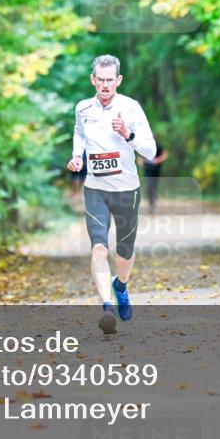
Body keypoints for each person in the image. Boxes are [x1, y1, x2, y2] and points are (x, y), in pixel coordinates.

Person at [66, 54, 157, 334]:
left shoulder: (131, 108)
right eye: (100, 80)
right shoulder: (83, 108)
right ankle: (106, 307)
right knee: (99, 247)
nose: (105, 85)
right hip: (96, 189)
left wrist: (128, 135)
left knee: (125, 252)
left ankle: (120, 286)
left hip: (127, 189)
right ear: (93, 80)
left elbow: (151, 151)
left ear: (118, 80)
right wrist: (77, 157)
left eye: (110, 80)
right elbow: (79, 134)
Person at [142, 142, 168, 214]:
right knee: (150, 186)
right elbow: (140, 158)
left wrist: (158, 160)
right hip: (148, 170)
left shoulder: (158, 146)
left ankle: (153, 201)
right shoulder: (144, 145)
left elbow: (165, 154)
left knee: (154, 186)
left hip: (156, 170)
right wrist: (143, 164)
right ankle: (151, 204)